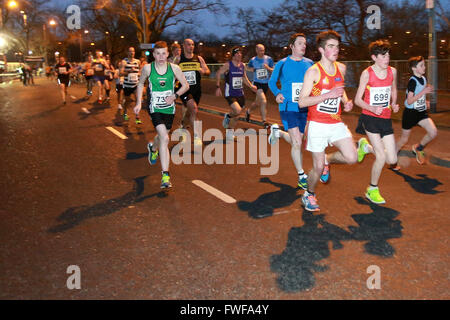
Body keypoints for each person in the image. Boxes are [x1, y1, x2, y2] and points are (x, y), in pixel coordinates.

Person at [298, 30, 357, 212]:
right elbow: (302, 101)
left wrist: (345, 101)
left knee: (352, 157)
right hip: (317, 124)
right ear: (322, 50)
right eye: (331, 46)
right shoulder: (313, 72)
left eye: (337, 46)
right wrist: (328, 96)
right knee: (316, 167)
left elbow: (339, 89)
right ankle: (309, 193)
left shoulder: (342, 68)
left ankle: (328, 161)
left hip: (335, 122)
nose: (336, 49)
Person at [133, 41, 189, 189]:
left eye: (164, 53)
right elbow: (140, 84)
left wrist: (175, 95)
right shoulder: (147, 68)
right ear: (154, 55)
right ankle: (165, 175)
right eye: (158, 53)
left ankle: (153, 148)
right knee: (165, 137)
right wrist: (139, 103)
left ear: (168, 54)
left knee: (161, 137)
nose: (161, 56)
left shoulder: (174, 68)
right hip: (154, 107)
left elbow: (186, 85)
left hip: (169, 109)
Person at [354, 39, 399, 204]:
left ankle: (365, 147)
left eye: (388, 55)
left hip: (385, 118)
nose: (387, 58)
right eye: (383, 55)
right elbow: (358, 100)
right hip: (370, 117)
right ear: (374, 57)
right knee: (381, 156)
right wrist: (372, 108)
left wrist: (394, 103)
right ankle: (372, 189)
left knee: (392, 160)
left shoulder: (392, 71)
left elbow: (393, 89)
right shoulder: (367, 73)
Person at [268, 33, 313, 190]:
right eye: (300, 43)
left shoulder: (310, 63)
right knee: (297, 142)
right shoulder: (282, 63)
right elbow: (272, 82)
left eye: (305, 43)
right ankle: (301, 175)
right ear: (292, 46)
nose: (303, 46)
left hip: (305, 107)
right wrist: (277, 93)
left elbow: (316, 82)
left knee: (298, 140)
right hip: (288, 107)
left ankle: (278, 133)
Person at [394, 56, 436, 167]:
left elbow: (420, 93)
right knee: (403, 139)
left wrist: (425, 101)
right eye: (421, 65)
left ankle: (418, 148)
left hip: (421, 112)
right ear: (414, 68)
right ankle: (392, 158)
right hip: (410, 113)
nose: (424, 67)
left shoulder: (423, 78)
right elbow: (410, 100)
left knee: (433, 132)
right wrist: (424, 92)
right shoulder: (412, 81)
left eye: (424, 65)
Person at [215, 47, 257, 141]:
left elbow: (244, 78)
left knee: (237, 115)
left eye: (240, 53)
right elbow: (218, 73)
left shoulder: (242, 65)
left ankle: (229, 129)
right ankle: (229, 116)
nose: (240, 55)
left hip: (240, 93)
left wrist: (251, 87)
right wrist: (217, 87)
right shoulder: (228, 65)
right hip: (230, 93)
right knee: (237, 111)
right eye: (237, 53)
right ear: (233, 55)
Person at [177, 38, 211, 146]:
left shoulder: (198, 58)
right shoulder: (178, 59)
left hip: (196, 90)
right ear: (183, 46)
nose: (191, 46)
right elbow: (170, 73)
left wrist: (203, 71)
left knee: (190, 112)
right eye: (188, 44)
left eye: (192, 44)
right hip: (184, 90)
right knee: (194, 109)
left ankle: (183, 126)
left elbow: (208, 71)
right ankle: (197, 137)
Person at [246, 44, 274, 127]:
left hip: (266, 83)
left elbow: (273, 70)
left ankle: (248, 111)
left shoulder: (268, 59)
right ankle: (264, 121)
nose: (262, 52)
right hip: (257, 83)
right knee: (263, 101)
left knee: (257, 103)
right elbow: (247, 68)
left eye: (263, 50)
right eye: (260, 50)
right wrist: (253, 69)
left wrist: (268, 68)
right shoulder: (253, 60)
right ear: (256, 50)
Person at [119, 47, 142, 123]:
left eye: (133, 51)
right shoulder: (124, 62)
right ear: (127, 52)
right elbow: (120, 73)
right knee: (127, 101)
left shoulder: (137, 61)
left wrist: (139, 74)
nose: (132, 53)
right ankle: (125, 113)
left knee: (137, 100)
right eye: (130, 51)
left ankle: (137, 116)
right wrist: (129, 72)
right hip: (127, 86)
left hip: (136, 84)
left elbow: (140, 71)